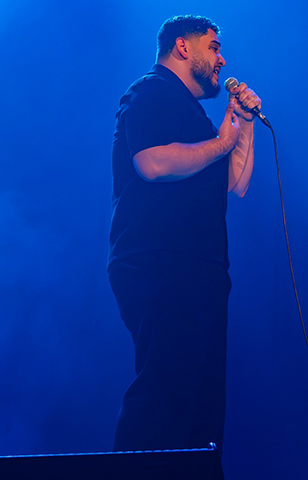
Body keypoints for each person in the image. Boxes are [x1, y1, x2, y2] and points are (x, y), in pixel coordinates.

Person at [108, 15, 261, 452]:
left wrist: (242, 126)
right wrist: (221, 142)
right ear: (182, 47)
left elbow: (238, 184)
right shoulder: (151, 90)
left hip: (200, 269)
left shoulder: (195, 114)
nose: (222, 58)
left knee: (202, 407)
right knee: (166, 395)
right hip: (160, 263)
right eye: (213, 47)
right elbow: (152, 164)